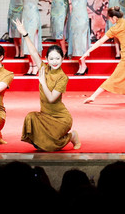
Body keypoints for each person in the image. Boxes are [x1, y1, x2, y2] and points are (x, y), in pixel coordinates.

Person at [16, 19, 81, 151]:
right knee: (31, 118)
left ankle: (71, 136)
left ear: (62, 59)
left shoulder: (62, 77)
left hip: (61, 118)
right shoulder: (43, 69)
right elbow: (34, 52)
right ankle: (49, 138)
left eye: (57, 58)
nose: (54, 61)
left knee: (51, 146)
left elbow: (51, 99)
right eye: (51, 59)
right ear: (46, 59)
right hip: (45, 116)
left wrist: (43, 82)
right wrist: (25, 34)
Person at [60, 0, 104, 75]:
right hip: (74, 19)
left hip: (82, 19)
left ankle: (83, 65)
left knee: (81, 42)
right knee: (76, 42)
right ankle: (81, 65)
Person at [17, 0, 51, 73]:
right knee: (25, 42)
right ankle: (30, 65)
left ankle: (35, 65)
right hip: (25, 17)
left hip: (34, 17)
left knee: (31, 41)